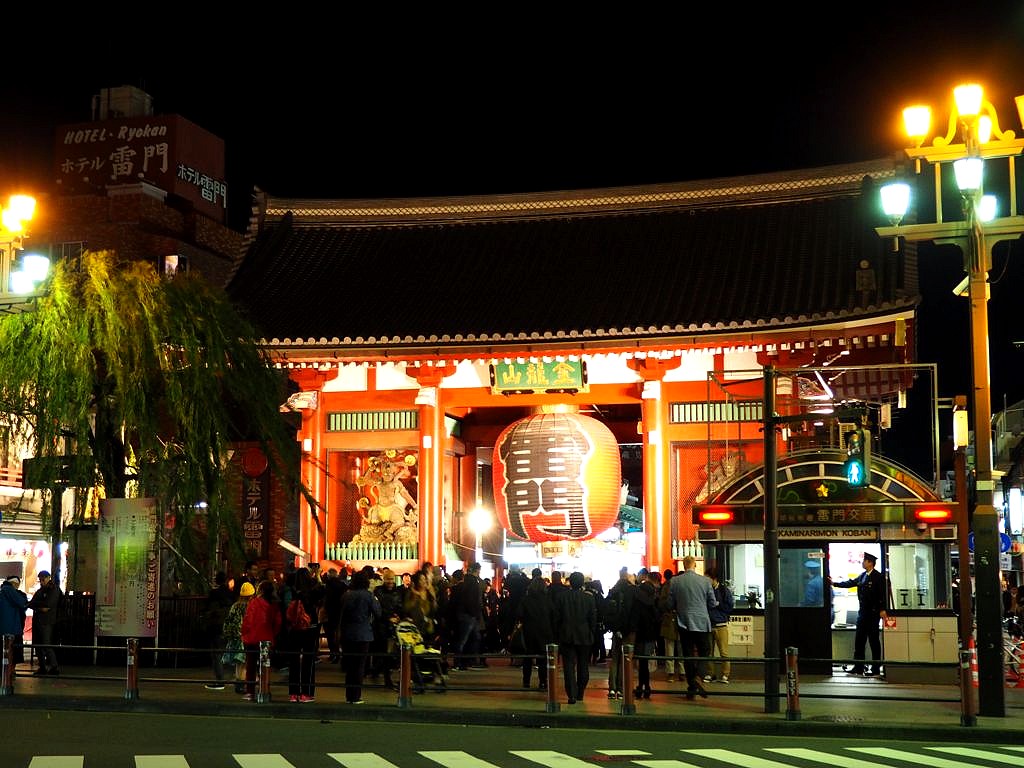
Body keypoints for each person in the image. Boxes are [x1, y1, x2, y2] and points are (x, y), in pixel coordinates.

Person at [827, 552, 887, 676]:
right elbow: (850, 583)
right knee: (859, 641)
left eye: (864, 561)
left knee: (874, 642)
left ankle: (875, 669)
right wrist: (835, 584)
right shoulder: (862, 576)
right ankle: (858, 667)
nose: (862, 563)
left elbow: (882, 595)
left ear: (870, 563)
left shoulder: (878, 577)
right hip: (863, 613)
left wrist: (882, 609)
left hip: (873, 614)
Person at [668, 555, 716, 699]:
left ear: (684, 565)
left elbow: (670, 603)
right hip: (702, 622)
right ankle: (698, 676)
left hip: (684, 623)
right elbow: (712, 602)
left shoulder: (675, 581)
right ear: (695, 565)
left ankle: (691, 687)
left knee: (688, 655)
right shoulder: (705, 581)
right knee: (705, 650)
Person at [552, 571, 596, 704]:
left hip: (566, 635)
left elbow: (556, 618)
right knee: (583, 665)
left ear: (570, 582)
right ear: (582, 583)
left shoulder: (561, 597)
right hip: (584, 635)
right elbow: (593, 618)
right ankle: (580, 692)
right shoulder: (589, 598)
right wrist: (591, 632)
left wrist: (558, 633)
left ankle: (571, 694)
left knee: (568, 666)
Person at [339, 570, 381, 704]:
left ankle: (349, 695)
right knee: (359, 666)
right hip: (363, 634)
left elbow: (341, 614)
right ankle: (356, 696)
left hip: (347, 633)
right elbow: (378, 613)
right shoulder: (368, 596)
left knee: (350, 665)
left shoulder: (346, 595)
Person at [286, 566, 325, 702]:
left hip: (294, 628)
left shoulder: (291, 591)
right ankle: (306, 693)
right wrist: (318, 577)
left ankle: (293, 693)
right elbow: (323, 592)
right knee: (309, 660)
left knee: (294, 660)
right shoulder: (313, 592)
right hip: (310, 627)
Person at [240, 580, 281, 700]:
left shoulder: (254, 602)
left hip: (252, 638)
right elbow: (278, 622)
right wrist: (272, 634)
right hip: (267, 639)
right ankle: (264, 691)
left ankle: (250, 692)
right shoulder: (274, 605)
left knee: (251, 666)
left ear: (260, 590)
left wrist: (244, 632)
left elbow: (248, 620)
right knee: (265, 666)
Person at [516, 570, 555, 690]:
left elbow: (519, 614)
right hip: (545, 631)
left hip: (529, 631)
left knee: (528, 657)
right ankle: (543, 682)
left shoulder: (526, 599)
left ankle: (526, 681)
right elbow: (553, 615)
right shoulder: (547, 599)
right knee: (543, 658)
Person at [605, 566, 637, 699]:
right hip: (628, 630)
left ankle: (612, 688)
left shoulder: (613, 590)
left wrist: (614, 628)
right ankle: (622, 687)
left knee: (615, 658)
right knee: (626, 659)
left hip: (616, 630)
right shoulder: (632, 590)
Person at [27, 570, 62, 676]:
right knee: (37, 645)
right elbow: (31, 603)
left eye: (43, 579)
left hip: (47, 621)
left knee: (46, 644)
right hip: (39, 620)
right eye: (40, 580)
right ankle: (42, 667)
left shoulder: (54, 589)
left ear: (48, 578)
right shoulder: (41, 590)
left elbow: (47, 606)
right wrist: (39, 606)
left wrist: (36, 605)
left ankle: (54, 667)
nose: (41, 582)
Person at [202, 571, 234, 689]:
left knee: (216, 654)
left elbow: (207, 609)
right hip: (227, 626)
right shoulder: (230, 594)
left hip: (215, 626)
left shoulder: (214, 593)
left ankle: (220, 680)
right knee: (228, 652)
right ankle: (235, 678)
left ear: (216, 580)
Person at [222, 581, 254, 693]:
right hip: (245, 637)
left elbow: (228, 621)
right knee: (244, 662)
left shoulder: (235, 606)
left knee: (238, 663)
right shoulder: (249, 607)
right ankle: (242, 684)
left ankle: (238, 683)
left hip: (234, 637)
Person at [633, 569, 661, 699]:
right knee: (646, 660)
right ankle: (646, 686)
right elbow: (657, 616)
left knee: (641, 661)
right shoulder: (655, 596)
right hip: (650, 632)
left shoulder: (637, 595)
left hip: (639, 631)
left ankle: (641, 686)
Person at [704, 567, 733, 684]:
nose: (706, 581)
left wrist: (718, 604)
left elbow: (729, 607)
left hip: (721, 625)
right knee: (709, 652)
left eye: (708, 579)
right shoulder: (706, 590)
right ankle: (710, 674)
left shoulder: (723, 590)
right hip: (708, 625)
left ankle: (725, 674)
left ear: (714, 578)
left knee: (724, 652)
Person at [0, 575, 28, 665]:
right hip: (11, 628)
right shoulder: (9, 590)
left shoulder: (3, 590)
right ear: (14, 583)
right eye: (17, 584)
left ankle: (7, 670)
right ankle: (9, 671)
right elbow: (22, 603)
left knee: (6, 653)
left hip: (5, 627)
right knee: (11, 652)